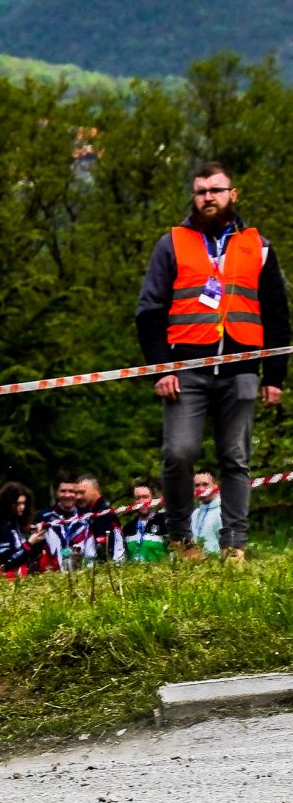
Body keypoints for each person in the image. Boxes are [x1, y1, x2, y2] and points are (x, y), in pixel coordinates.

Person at [137, 161, 290, 564]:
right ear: (194, 196)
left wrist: (275, 376)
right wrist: (161, 367)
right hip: (186, 369)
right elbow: (149, 311)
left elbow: (277, 313)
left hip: (242, 367)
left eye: (216, 190)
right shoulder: (172, 243)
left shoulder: (258, 246)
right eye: (201, 191)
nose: (208, 197)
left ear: (232, 195)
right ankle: (180, 538)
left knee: (236, 458)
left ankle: (234, 544)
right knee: (179, 453)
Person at [0, 482, 40, 577]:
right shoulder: (3, 526)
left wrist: (34, 537)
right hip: (5, 581)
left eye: (24, 503)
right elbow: (8, 562)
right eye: (18, 503)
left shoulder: (15, 523)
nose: (22, 507)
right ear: (8, 503)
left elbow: (24, 555)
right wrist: (30, 543)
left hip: (18, 579)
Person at [36, 475, 84, 572]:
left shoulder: (85, 516)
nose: (67, 495)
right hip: (50, 575)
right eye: (63, 491)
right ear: (56, 493)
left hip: (82, 573)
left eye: (71, 491)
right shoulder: (43, 516)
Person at [75, 475, 126, 565]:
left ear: (95, 490)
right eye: (76, 493)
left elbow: (108, 550)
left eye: (82, 492)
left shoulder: (104, 513)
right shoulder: (87, 512)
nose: (78, 497)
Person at [121, 479, 167, 563]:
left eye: (145, 497)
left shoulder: (164, 522)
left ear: (153, 499)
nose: (141, 501)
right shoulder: (127, 528)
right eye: (138, 498)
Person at [189, 470, 224, 555]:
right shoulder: (195, 514)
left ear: (216, 485)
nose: (201, 489)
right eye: (197, 485)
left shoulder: (224, 512)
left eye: (205, 484)